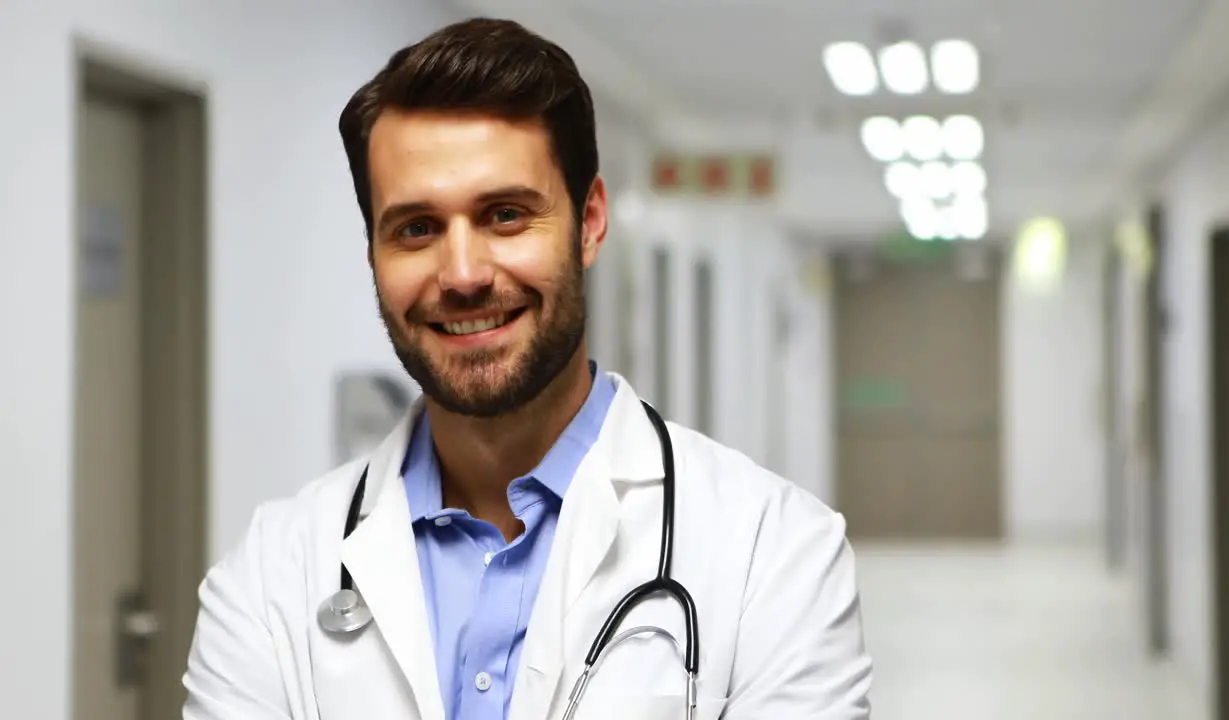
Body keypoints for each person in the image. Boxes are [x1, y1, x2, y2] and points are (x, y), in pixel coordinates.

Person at [182, 17, 873, 720]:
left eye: (506, 215)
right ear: (373, 254)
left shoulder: (777, 557)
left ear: (591, 221)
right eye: (416, 228)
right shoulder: (269, 577)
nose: (462, 274)